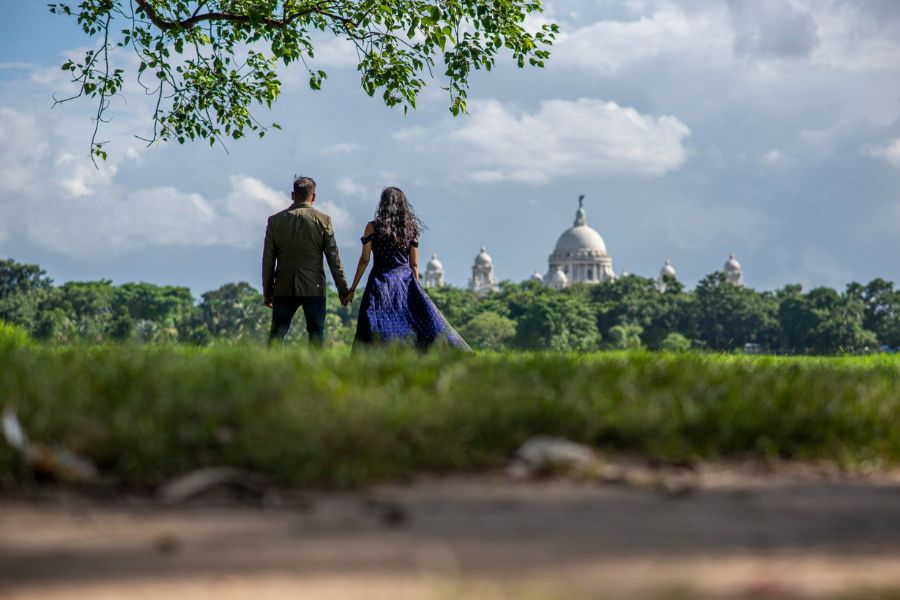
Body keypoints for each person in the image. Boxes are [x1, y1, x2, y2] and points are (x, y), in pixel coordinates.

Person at [343, 187, 469, 350]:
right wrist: (416, 289)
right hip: (405, 282)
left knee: (373, 324)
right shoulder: (411, 229)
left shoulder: (372, 227)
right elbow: (414, 264)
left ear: (383, 204)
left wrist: (352, 288)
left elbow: (364, 259)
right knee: (412, 325)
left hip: (380, 281)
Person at [262, 176, 351, 347]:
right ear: (314, 196)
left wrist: (268, 290)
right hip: (314, 287)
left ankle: (270, 372)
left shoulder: (275, 221)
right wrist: (343, 289)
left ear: (292, 195)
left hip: (284, 286)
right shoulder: (323, 220)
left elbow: (268, 260)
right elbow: (333, 257)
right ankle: (315, 372)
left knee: (277, 334)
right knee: (316, 333)